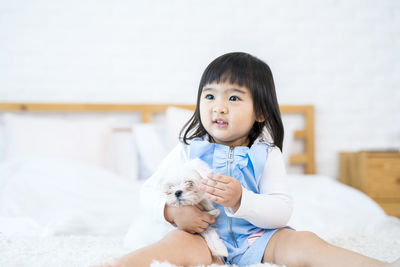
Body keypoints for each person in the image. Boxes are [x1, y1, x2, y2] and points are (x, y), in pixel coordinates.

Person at [114, 52, 398, 267]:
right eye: (210, 96)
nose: (219, 107)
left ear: (260, 112)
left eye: (234, 99)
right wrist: (172, 213)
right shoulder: (188, 150)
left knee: (304, 241)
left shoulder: (267, 154)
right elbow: (147, 192)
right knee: (173, 243)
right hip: (203, 240)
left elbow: (281, 210)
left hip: (260, 240)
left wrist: (241, 200)